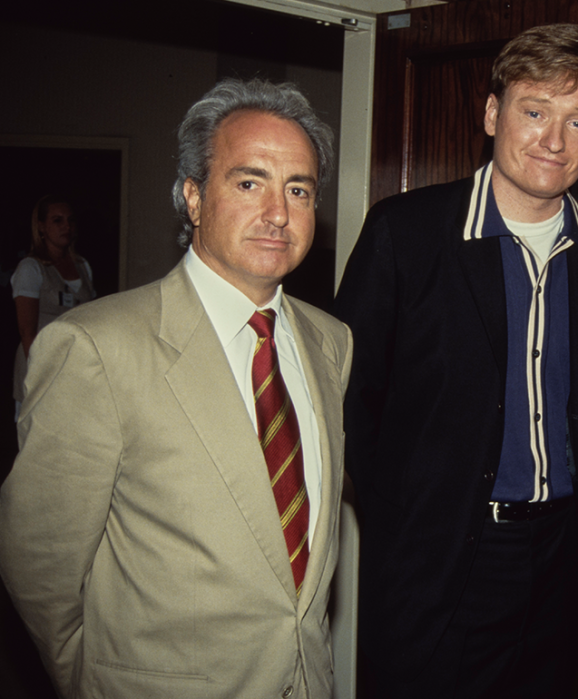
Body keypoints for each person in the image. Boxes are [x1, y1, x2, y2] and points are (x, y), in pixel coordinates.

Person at [0, 78, 352, 699]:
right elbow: (39, 564)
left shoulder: (331, 342)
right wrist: (92, 681)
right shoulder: (97, 348)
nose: (279, 211)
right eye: (249, 183)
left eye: (298, 189)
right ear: (193, 198)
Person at [333, 23, 578, 699]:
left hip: (562, 570)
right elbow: (345, 401)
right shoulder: (404, 234)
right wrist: (404, 521)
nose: (555, 141)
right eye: (535, 112)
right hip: (438, 563)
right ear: (493, 113)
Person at [11, 195, 95, 417]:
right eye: (57, 220)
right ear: (41, 227)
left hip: (74, 367)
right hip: (42, 368)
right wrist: (42, 377)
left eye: (70, 220)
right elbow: (27, 332)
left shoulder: (82, 266)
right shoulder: (31, 268)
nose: (66, 226)